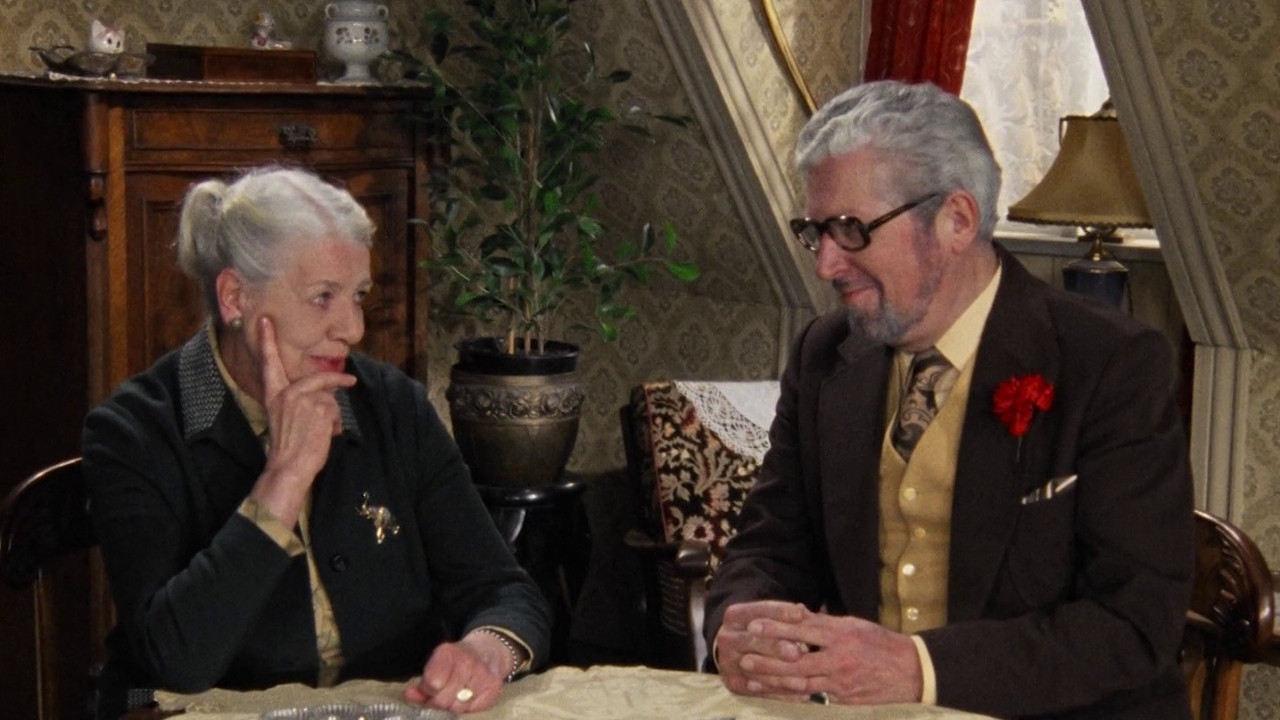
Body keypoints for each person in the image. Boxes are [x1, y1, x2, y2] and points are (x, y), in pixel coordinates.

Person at [703, 81, 1194, 719]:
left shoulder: (1111, 363)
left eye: (850, 229)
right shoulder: (825, 354)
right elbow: (769, 546)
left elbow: (1133, 625)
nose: (825, 264)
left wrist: (918, 669)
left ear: (956, 220)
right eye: (815, 231)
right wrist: (742, 628)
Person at [84, 166, 551, 719]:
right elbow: (176, 663)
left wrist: (486, 651)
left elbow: (505, 591)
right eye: (322, 296)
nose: (352, 328)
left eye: (358, 296)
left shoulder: (393, 407)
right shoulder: (133, 432)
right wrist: (283, 479)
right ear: (235, 297)